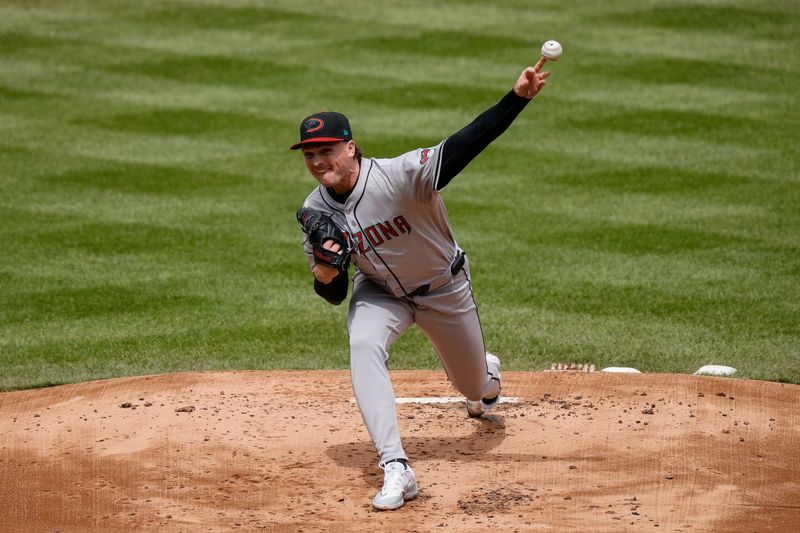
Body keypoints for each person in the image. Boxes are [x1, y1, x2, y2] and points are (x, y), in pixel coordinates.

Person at [293, 58, 551, 510]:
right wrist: (325, 271)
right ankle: (396, 466)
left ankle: (487, 380)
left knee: (472, 387)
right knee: (363, 344)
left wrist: (516, 101)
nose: (318, 162)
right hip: (380, 293)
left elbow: (464, 145)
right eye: (310, 155)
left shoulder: (399, 176)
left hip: (444, 289)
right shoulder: (315, 212)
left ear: (351, 148)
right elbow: (332, 293)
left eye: (327, 150)